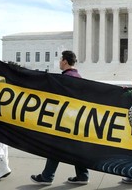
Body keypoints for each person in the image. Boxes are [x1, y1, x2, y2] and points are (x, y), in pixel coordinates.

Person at [30, 50, 89, 185]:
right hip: (75, 120)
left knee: (54, 146)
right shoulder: (78, 76)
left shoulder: (65, 78)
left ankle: (47, 177)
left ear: (65, 61)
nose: (59, 62)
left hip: (65, 120)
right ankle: (82, 176)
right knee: (76, 148)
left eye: (60, 59)